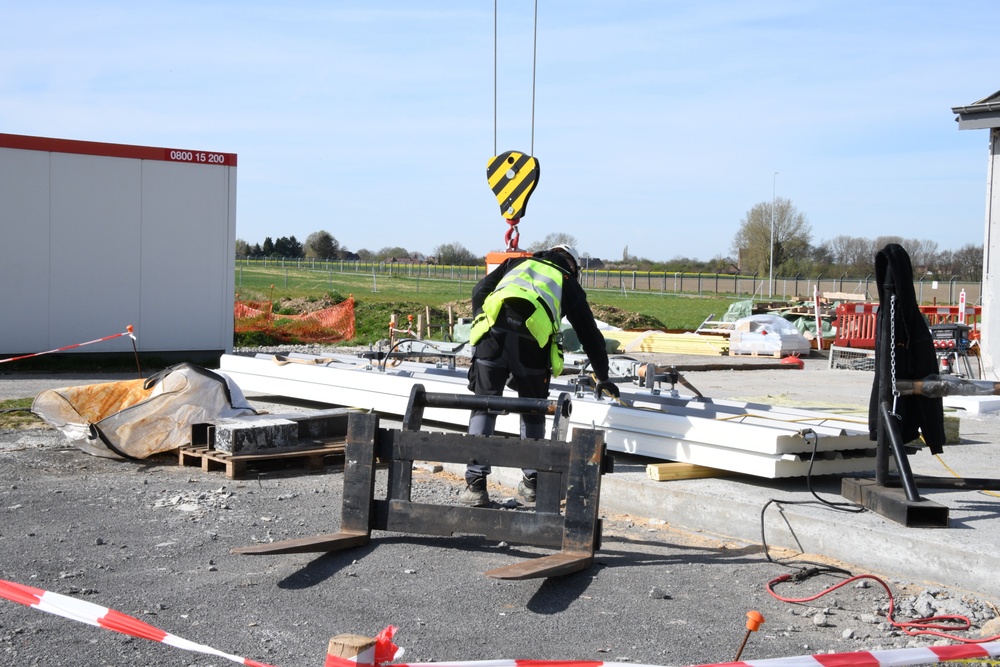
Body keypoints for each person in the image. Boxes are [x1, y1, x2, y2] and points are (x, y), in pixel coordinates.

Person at [459, 244, 619, 507]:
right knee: (533, 408)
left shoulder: (516, 263)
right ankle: (531, 485)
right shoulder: (566, 281)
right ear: (573, 268)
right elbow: (590, 335)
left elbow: (479, 292)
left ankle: (475, 486)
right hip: (532, 344)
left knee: (483, 407)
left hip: (491, 336)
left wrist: (484, 321)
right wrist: (602, 376)